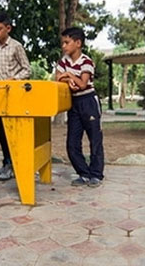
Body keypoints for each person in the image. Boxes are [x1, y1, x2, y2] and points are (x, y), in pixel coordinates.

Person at [0, 12, 31, 181]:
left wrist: (14, 80)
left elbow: (27, 69)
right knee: (2, 132)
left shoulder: (16, 46)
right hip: (0, 96)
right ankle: (6, 163)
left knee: (14, 133)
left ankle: (16, 165)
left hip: (16, 95)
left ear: (8, 29)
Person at [55, 27, 105, 187]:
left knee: (95, 139)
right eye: (62, 42)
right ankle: (83, 173)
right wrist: (70, 80)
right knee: (72, 142)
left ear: (78, 43)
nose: (64, 46)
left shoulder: (86, 62)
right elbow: (58, 79)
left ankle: (96, 174)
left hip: (88, 101)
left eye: (67, 42)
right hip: (73, 103)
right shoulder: (63, 62)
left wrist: (69, 76)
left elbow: (83, 84)